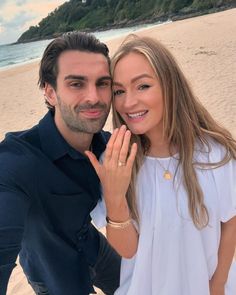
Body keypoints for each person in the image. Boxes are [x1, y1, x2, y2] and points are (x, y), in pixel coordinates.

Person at [86, 35, 236, 295]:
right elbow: (126, 250)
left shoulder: (215, 153)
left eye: (142, 86)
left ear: (170, 85)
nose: (128, 102)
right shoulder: (116, 163)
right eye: (119, 91)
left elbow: (231, 221)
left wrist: (219, 283)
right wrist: (114, 196)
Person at [0, 31, 121, 295]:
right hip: (50, 270)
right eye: (76, 84)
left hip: (91, 244)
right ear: (50, 92)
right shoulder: (17, 161)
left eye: (102, 83)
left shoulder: (107, 146)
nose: (94, 97)